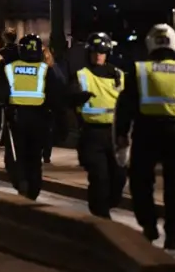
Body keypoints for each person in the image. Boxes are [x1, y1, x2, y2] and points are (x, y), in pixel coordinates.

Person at [114, 24, 175, 252]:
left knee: (141, 182)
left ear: (150, 44)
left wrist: (121, 135)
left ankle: (149, 226)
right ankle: (173, 235)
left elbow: (125, 106)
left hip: (147, 133)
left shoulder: (140, 71)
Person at [0, 34, 65, 200]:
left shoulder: (10, 68)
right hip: (39, 120)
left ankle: (21, 184)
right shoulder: (45, 70)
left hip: (16, 120)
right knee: (34, 158)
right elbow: (56, 98)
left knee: (15, 158)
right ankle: (33, 191)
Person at [69, 32, 127, 219]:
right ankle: (102, 219)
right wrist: (76, 97)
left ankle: (105, 207)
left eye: (102, 51)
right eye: (95, 52)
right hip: (92, 135)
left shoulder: (119, 75)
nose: (98, 55)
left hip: (115, 135)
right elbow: (68, 98)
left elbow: (128, 103)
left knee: (119, 179)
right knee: (100, 178)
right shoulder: (82, 75)